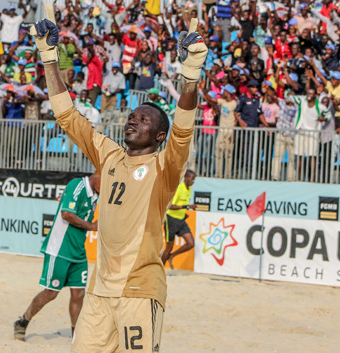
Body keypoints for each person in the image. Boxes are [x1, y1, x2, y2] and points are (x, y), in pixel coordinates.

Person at [31, 14, 206, 351]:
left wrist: (191, 76)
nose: (132, 119)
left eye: (143, 119)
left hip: (140, 290)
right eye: (131, 115)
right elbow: (67, 117)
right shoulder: (109, 156)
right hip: (99, 292)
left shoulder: (164, 167)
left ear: (158, 135)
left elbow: (182, 132)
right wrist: (49, 58)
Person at [14, 172, 100, 341]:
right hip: (59, 249)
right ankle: (23, 321)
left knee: (78, 294)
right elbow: (66, 214)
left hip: (78, 251)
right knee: (51, 293)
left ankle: (76, 335)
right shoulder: (78, 185)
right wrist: (91, 226)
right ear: (98, 174)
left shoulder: (96, 194)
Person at [161, 170, 196, 268]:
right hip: (171, 220)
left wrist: (184, 214)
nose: (193, 181)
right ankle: (160, 269)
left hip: (180, 220)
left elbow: (182, 205)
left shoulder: (189, 190)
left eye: (194, 179)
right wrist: (187, 207)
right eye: (192, 179)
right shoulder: (179, 189)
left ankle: (172, 255)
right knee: (168, 247)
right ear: (186, 178)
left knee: (190, 243)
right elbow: (170, 206)